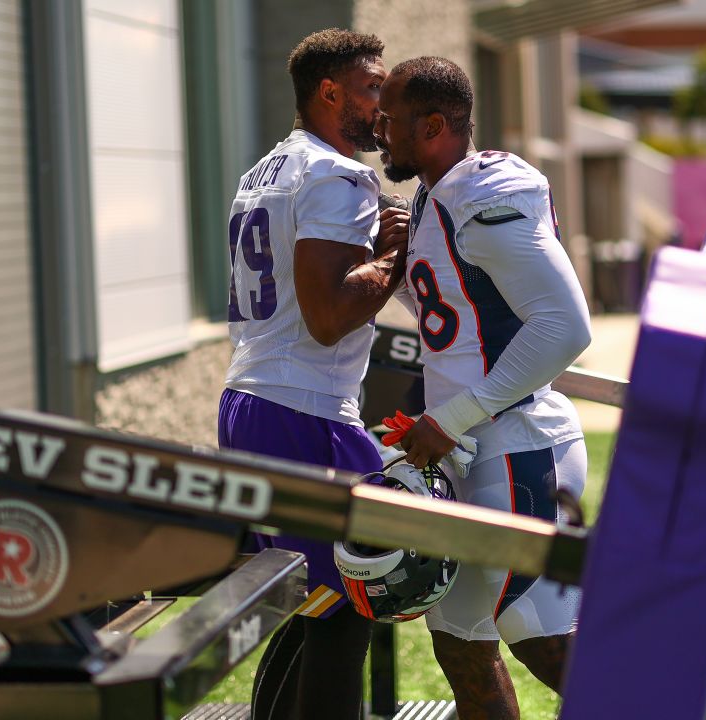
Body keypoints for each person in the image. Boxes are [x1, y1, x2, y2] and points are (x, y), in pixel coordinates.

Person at [372, 56, 592, 719]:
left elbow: (563, 326)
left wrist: (454, 416)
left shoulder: (487, 189)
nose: (378, 131)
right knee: (463, 648)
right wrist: (408, 269)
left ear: (434, 123)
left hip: (517, 445)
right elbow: (460, 323)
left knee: (545, 642)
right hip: (479, 449)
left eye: (390, 120)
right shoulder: (440, 192)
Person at [217, 28, 410, 719]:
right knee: (351, 601)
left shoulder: (265, 167)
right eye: (371, 89)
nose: (383, 106)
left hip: (250, 399)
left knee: (313, 600)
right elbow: (329, 316)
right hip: (304, 408)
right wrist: (395, 258)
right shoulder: (337, 174)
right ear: (330, 92)